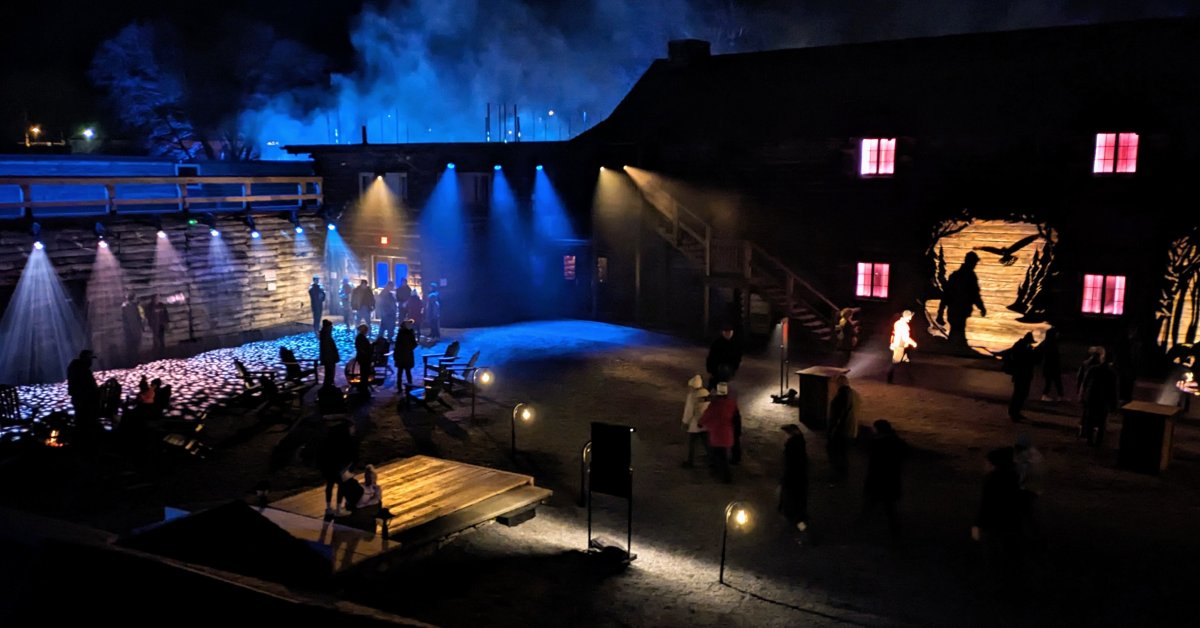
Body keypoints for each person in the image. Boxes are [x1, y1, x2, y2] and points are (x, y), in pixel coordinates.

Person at [971, 447, 1024, 581]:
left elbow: (986, 504)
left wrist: (977, 525)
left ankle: (994, 584)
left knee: (991, 558)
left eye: (987, 463)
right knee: (1007, 556)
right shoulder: (1016, 479)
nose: (984, 466)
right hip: (1011, 524)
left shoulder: (992, 480)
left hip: (992, 526)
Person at [862, 420, 906, 545]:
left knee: (873, 505)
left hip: (879, 482)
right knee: (889, 509)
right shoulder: (897, 442)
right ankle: (896, 535)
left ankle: (862, 527)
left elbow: (873, 466)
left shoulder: (878, 444)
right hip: (891, 482)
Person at [937, 251, 987, 348]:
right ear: (970, 262)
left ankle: (954, 348)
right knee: (957, 330)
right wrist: (981, 307)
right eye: (974, 263)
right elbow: (975, 294)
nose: (975, 265)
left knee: (957, 330)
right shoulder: (969, 277)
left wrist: (941, 311)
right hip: (959, 309)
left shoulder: (955, 276)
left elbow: (947, 294)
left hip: (955, 309)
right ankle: (955, 350)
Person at [1078, 346, 1118, 446]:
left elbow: (1085, 382)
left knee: (1090, 419)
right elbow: (1114, 390)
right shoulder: (1112, 373)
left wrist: (1083, 395)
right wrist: (1114, 403)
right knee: (1102, 422)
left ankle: (1089, 439)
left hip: (1092, 397)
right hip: (1104, 399)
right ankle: (1098, 441)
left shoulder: (1093, 369)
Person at [698, 382, 738, 483]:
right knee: (723, 454)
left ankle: (723, 475)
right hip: (728, 433)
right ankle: (722, 473)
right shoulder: (731, 403)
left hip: (716, 434)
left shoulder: (715, 405)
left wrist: (700, 422)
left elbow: (707, 415)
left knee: (718, 455)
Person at [318, 421, 357, 519]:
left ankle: (328, 508)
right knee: (341, 486)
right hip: (340, 467)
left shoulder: (330, 438)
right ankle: (338, 509)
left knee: (329, 485)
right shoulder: (347, 440)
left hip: (328, 466)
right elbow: (350, 454)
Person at [994, 332, 1037, 422]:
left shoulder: (1021, 346)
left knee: (1021, 394)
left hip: (1022, 375)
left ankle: (1015, 412)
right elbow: (1025, 360)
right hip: (1021, 375)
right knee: (1019, 394)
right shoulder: (1021, 348)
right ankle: (1014, 413)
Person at [779, 424, 810, 535]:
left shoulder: (792, 447)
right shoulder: (800, 446)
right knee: (798, 511)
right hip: (798, 484)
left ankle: (803, 531)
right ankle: (802, 529)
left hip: (792, 484)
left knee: (796, 514)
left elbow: (788, 467)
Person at [827, 374, 857, 485]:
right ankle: (842, 476)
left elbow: (837, 416)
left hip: (841, 432)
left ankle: (838, 478)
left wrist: (832, 431)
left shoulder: (841, 396)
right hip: (849, 430)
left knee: (838, 454)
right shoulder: (852, 394)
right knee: (843, 454)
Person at [66, 350, 101, 435]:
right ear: (86, 359)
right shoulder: (83, 370)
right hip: (85, 402)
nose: (91, 362)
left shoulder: (75, 367)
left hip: (78, 400)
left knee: (80, 420)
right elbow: (89, 387)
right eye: (90, 359)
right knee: (85, 422)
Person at [680, 374, 710, 468]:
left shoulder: (692, 396)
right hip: (705, 423)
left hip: (695, 424)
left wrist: (685, 422)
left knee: (692, 444)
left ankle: (690, 462)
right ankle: (712, 459)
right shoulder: (706, 393)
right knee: (706, 442)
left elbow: (689, 411)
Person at [705, 322, 742, 388]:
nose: (728, 334)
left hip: (729, 367)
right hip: (717, 367)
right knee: (717, 379)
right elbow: (711, 357)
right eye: (726, 332)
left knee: (722, 376)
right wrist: (711, 369)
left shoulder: (735, 344)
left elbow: (737, 358)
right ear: (722, 332)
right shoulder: (717, 343)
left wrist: (734, 367)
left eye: (729, 332)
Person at [887, 310, 918, 384]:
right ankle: (889, 379)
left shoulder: (897, 323)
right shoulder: (904, 325)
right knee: (895, 363)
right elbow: (905, 338)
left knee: (906, 362)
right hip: (900, 347)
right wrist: (913, 343)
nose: (911, 318)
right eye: (910, 316)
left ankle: (910, 379)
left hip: (901, 346)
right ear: (906, 316)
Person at [1038, 327, 1063, 402]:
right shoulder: (1051, 344)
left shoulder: (1045, 343)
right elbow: (1053, 356)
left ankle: (1047, 395)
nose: (1058, 334)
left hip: (1048, 366)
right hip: (1052, 366)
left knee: (1050, 382)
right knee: (1056, 381)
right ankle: (1059, 396)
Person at [394, 318, 418, 389]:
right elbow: (414, 344)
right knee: (407, 372)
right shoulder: (410, 333)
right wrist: (409, 348)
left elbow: (397, 345)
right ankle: (409, 386)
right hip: (407, 355)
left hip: (401, 355)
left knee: (400, 372)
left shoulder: (401, 333)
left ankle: (399, 387)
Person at [121, 292, 143, 365]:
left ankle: (133, 360)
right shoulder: (131, 306)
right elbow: (139, 317)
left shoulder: (126, 306)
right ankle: (134, 360)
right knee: (134, 345)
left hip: (131, 329)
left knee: (132, 346)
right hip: (133, 329)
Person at [353, 324, 373, 396]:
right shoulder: (361, 338)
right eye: (366, 330)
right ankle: (364, 389)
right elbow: (362, 349)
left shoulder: (360, 337)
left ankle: (363, 388)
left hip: (363, 358)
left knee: (364, 374)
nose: (367, 331)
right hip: (364, 359)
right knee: (364, 374)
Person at [319, 319, 340, 385]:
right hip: (329, 359)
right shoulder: (326, 336)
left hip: (329, 358)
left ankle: (329, 385)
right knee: (329, 373)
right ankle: (328, 386)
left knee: (329, 373)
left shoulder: (325, 335)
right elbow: (328, 349)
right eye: (331, 327)